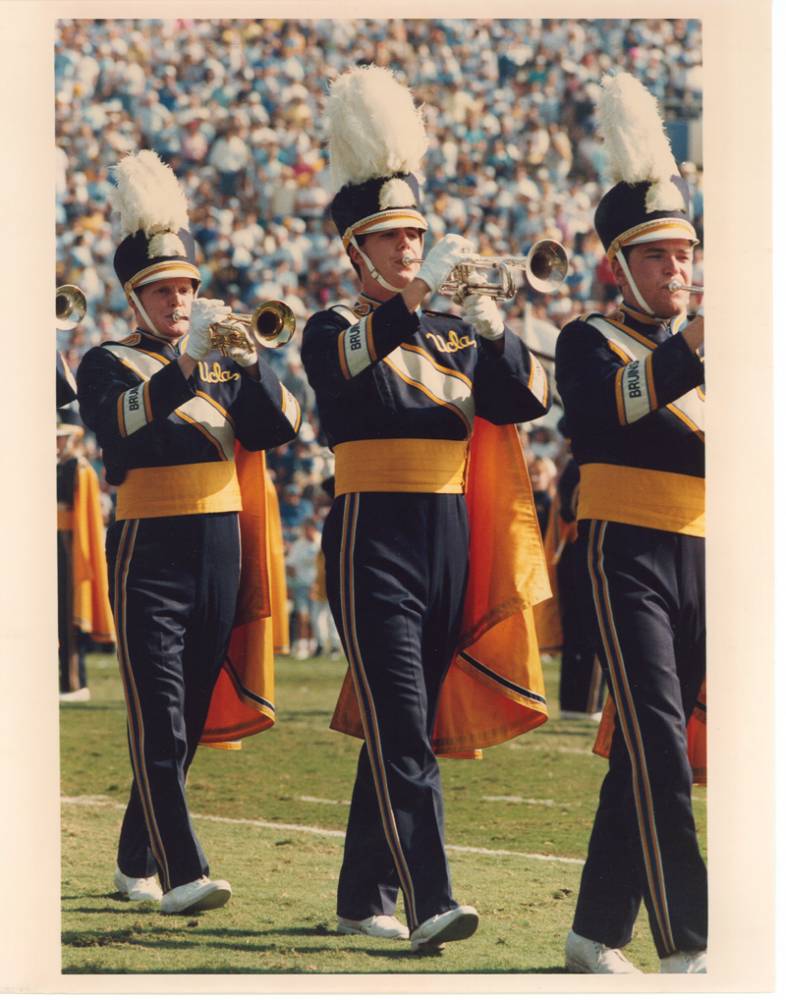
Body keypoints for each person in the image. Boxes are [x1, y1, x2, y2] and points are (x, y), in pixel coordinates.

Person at [302, 65, 552, 953]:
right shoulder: (328, 325)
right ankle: (429, 899)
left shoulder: (448, 333)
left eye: (415, 234)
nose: (410, 248)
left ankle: (357, 890)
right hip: (371, 536)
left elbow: (526, 402)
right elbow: (351, 369)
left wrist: (493, 321)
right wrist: (415, 300)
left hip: (449, 535)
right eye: (390, 238)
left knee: (401, 727)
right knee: (404, 721)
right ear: (354, 251)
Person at [77, 150, 300, 915]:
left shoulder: (217, 360)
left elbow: (283, 427)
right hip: (150, 548)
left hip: (219, 548)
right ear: (136, 297)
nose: (180, 302)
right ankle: (182, 872)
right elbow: (123, 431)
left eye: (187, 289)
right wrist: (187, 369)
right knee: (161, 712)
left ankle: (136, 856)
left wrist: (254, 361)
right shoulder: (104, 361)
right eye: (165, 291)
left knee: (191, 716)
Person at [554, 73, 706, 974]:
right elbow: (606, 413)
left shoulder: (714, 352)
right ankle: (691, 940)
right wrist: (692, 351)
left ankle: (592, 932)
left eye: (685, 255)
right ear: (620, 265)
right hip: (624, 550)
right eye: (657, 257)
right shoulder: (586, 339)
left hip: (703, 551)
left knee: (649, 752)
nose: (677, 271)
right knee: (658, 745)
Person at [56, 412, 115, 702]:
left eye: (60, 438)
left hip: (68, 542)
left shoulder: (77, 468)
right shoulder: (63, 466)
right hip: (57, 540)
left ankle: (74, 683)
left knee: (69, 614)